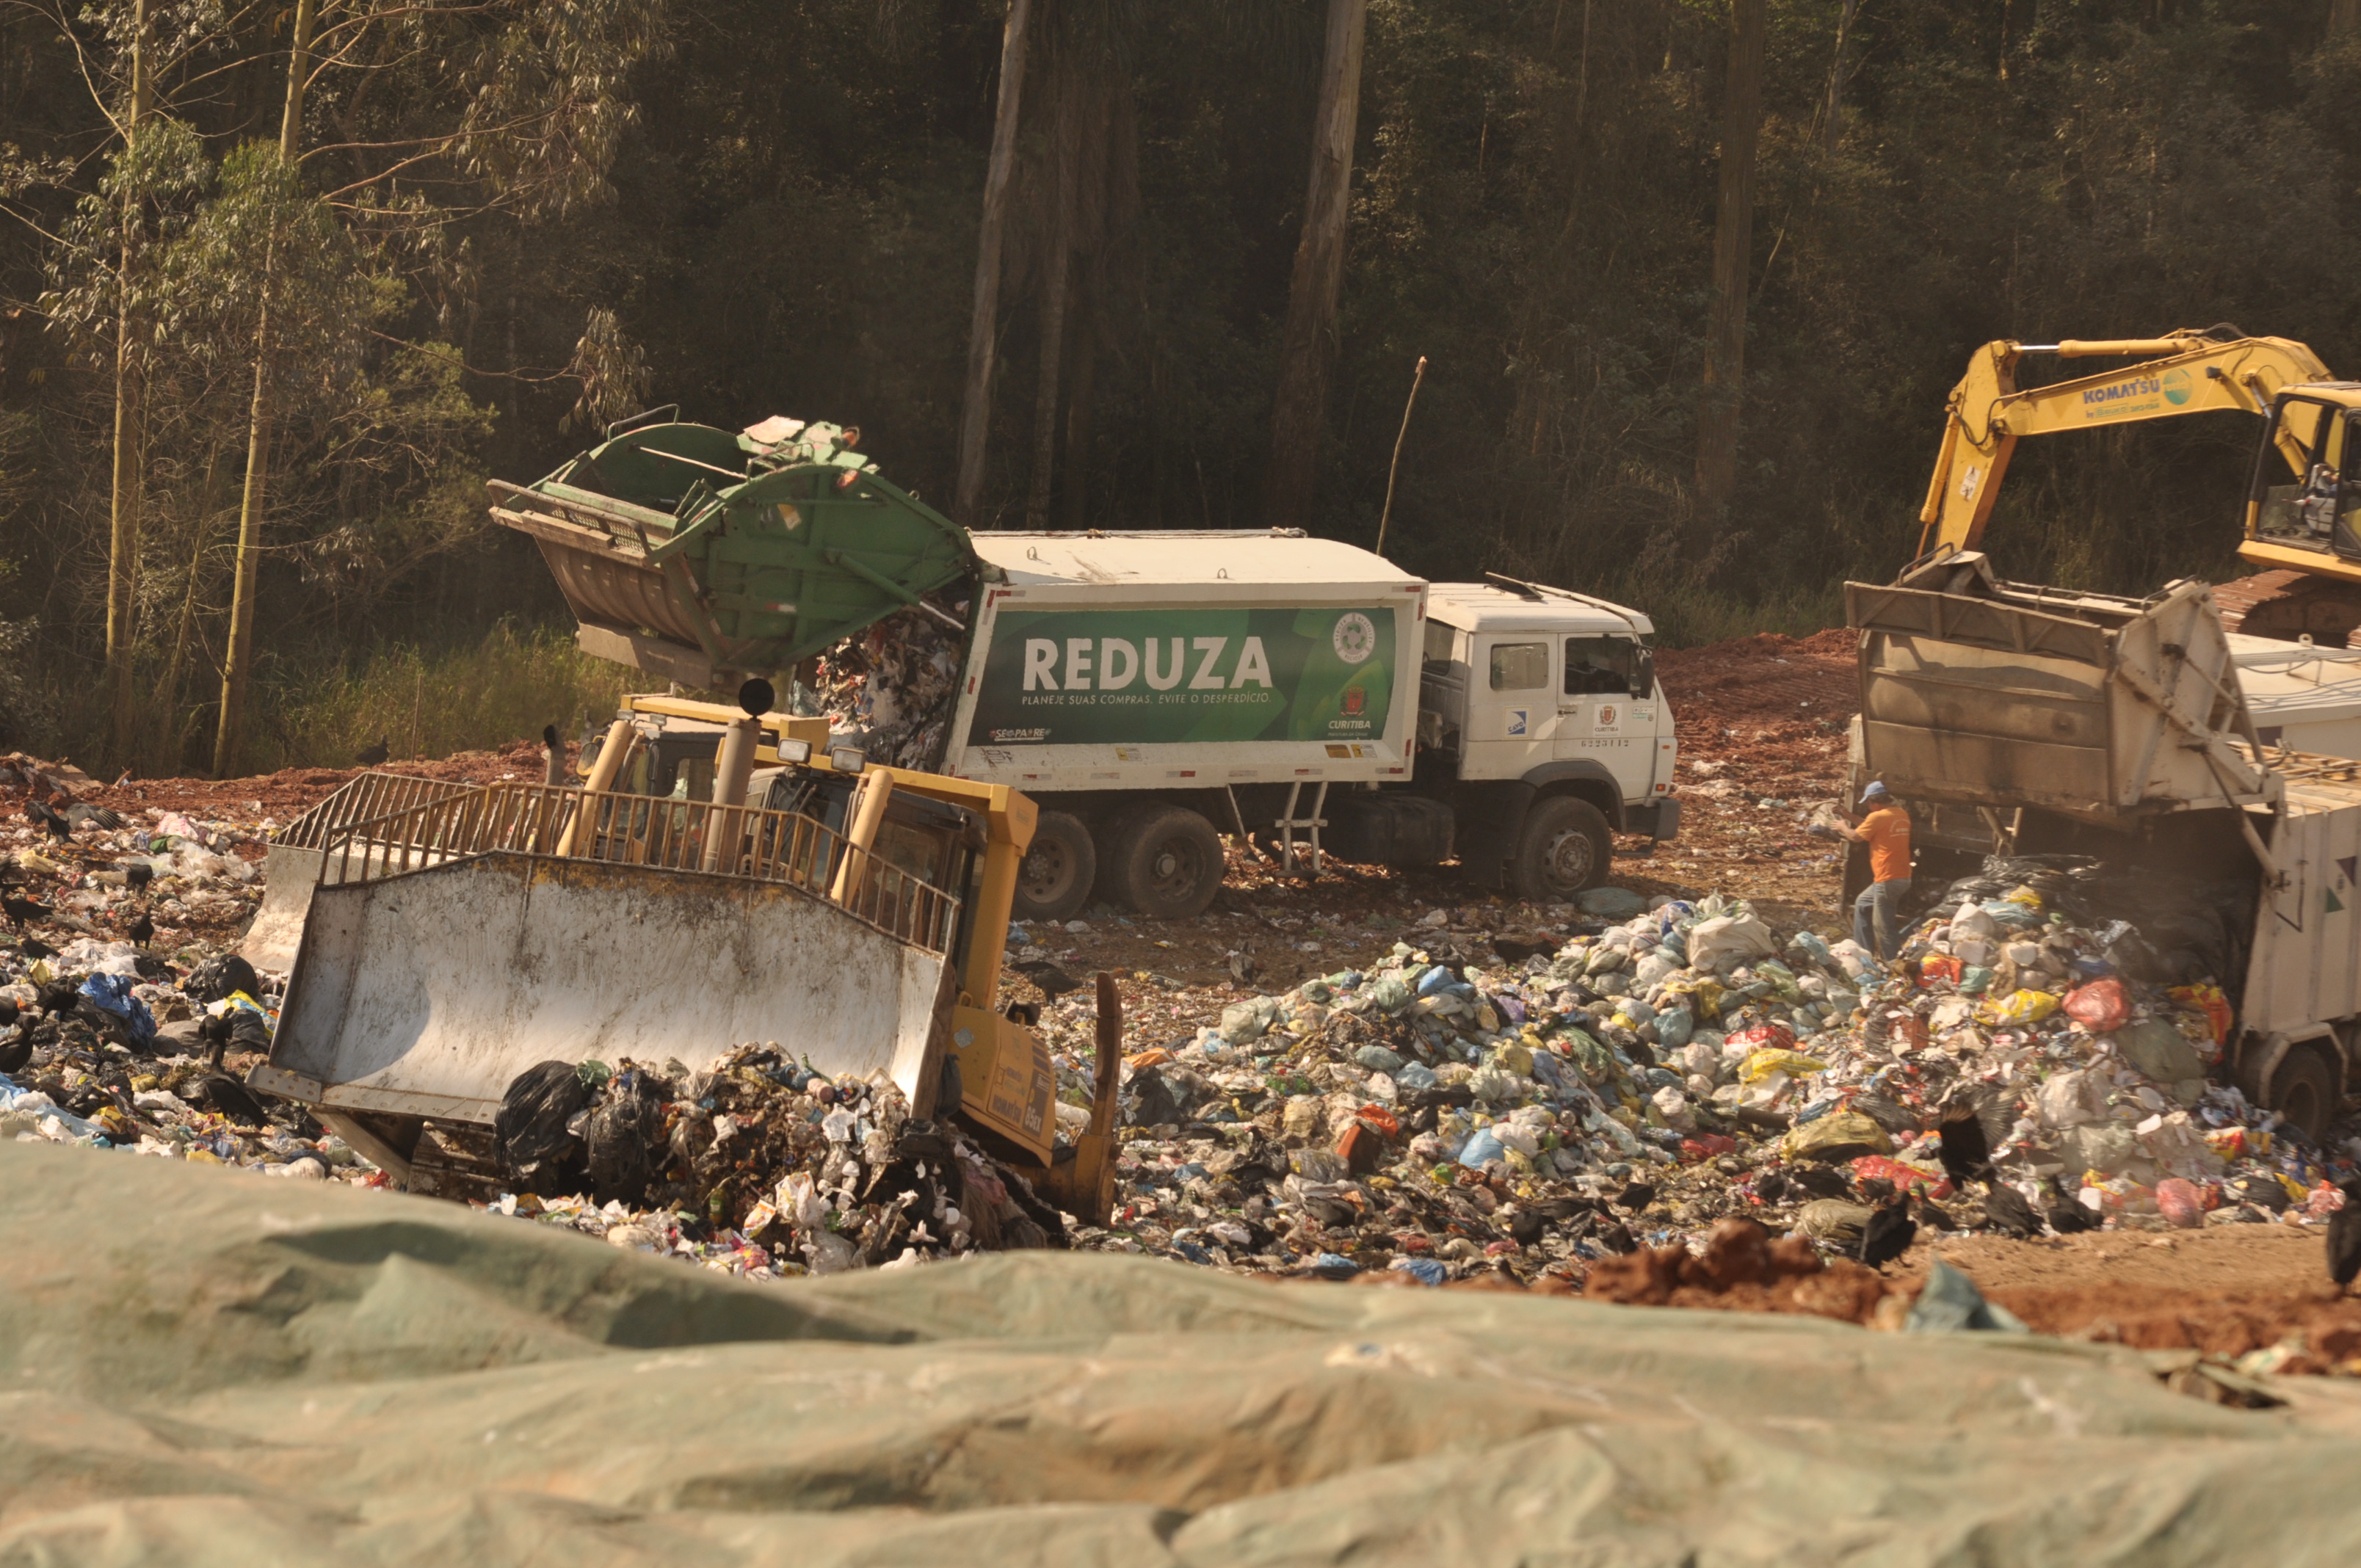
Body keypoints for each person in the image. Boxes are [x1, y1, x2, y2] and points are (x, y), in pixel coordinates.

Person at [1839, 780, 1912, 961]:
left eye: (1869, 804)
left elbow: (1856, 836)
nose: (1869, 807)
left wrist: (1843, 827)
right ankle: (1865, 954)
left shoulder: (1878, 817)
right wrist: (1847, 815)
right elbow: (1869, 825)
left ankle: (1893, 965)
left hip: (1887, 878)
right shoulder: (1900, 814)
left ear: (1875, 801)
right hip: (1902, 877)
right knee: (1862, 904)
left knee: (1883, 927)